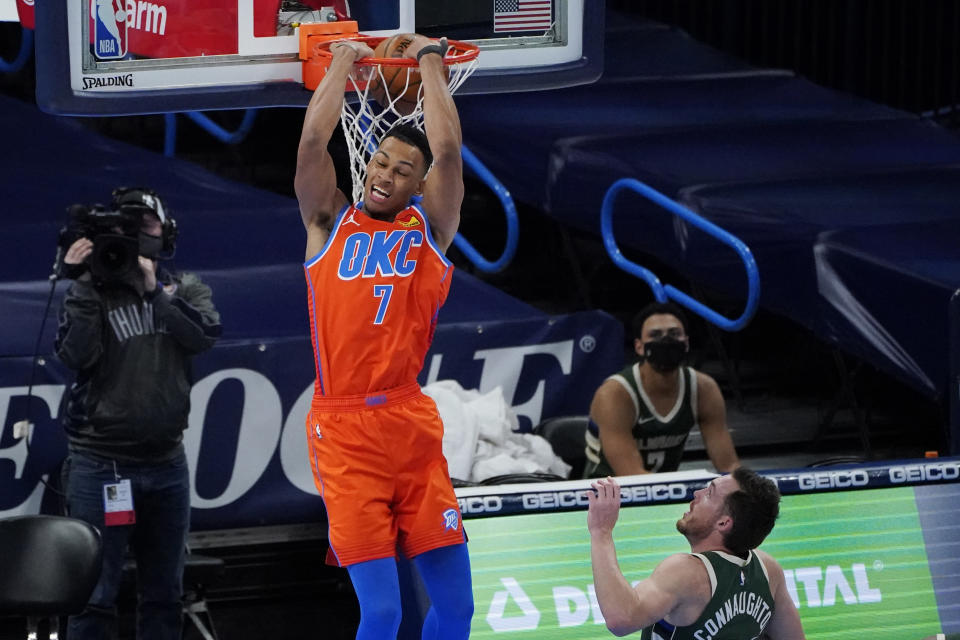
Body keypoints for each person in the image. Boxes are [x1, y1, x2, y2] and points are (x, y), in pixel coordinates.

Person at [294, 35, 473, 639]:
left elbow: (449, 152)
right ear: (365, 162)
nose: (385, 175)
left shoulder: (432, 229)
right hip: (344, 431)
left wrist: (429, 60)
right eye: (380, 161)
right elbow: (314, 143)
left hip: (409, 420)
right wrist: (343, 58)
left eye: (403, 170)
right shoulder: (326, 221)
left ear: (418, 185)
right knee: (384, 612)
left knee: (456, 609)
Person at [55, 187, 221, 640]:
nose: (132, 236)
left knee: (165, 591)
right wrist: (83, 285)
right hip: (103, 466)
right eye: (124, 228)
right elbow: (75, 355)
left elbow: (204, 335)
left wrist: (155, 295)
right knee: (94, 594)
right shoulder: (92, 293)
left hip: (167, 465)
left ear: (164, 233)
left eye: (143, 225)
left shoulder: (185, 288)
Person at [587, 468, 806, 639]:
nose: (697, 494)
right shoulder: (768, 570)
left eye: (709, 493)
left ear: (723, 522)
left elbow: (621, 618)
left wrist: (601, 532)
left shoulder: (687, 572)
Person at [584, 301, 739, 477]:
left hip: (665, 493)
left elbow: (729, 465)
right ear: (639, 347)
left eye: (674, 334)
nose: (666, 340)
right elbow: (630, 474)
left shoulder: (704, 389)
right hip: (607, 496)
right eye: (655, 335)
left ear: (686, 343)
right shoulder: (615, 394)